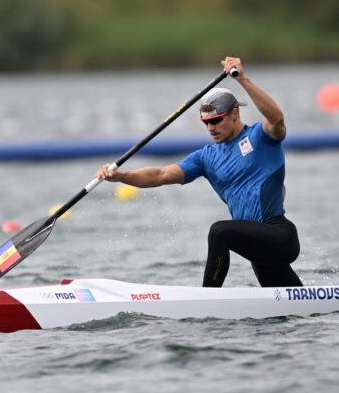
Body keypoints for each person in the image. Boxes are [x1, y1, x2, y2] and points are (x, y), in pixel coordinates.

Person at [98, 57, 303, 288]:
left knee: (219, 232)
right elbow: (160, 174)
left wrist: (243, 79)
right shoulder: (206, 157)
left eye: (216, 120)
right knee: (287, 313)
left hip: (279, 235)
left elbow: (277, 118)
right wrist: (121, 176)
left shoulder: (260, 137)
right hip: (258, 250)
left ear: (235, 113)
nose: (210, 127)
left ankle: (208, 297)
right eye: (205, 122)